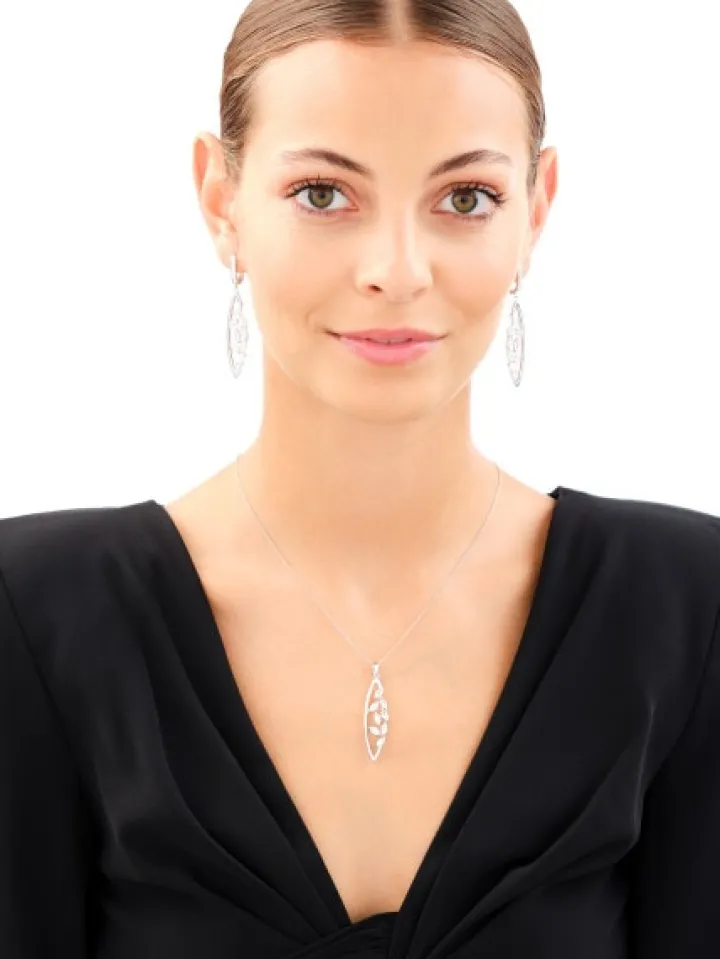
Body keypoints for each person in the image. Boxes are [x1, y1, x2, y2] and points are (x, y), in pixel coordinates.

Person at [1, 0, 719, 956]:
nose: (397, 269)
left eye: (465, 198)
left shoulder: (681, 605)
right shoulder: (40, 613)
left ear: (537, 208)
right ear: (220, 200)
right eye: (322, 193)